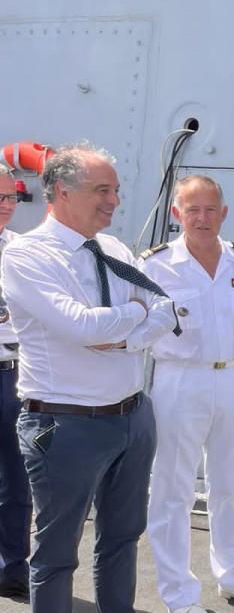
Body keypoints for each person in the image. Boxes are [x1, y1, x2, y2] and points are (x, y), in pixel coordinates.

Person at [3, 143, 178, 612]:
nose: (114, 201)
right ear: (63, 191)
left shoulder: (114, 249)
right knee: (57, 554)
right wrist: (133, 314)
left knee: (123, 538)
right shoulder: (27, 256)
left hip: (132, 417)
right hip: (65, 425)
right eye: (103, 190)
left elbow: (164, 307)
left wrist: (122, 339)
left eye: (115, 190)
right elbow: (80, 326)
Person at [141, 175, 234, 612]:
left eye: (210, 209)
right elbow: (134, 326)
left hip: (232, 378)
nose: (202, 218)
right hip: (178, 379)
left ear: (223, 213)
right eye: (193, 210)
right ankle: (178, 593)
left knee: (233, 483)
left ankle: (233, 575)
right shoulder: (154, 266)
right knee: (173, 488)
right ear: (177, 214)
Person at [0, 166, 29, 600]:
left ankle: (12, 568)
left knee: (17, 477)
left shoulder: (22, 250)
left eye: (11, 198)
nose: (6, 206)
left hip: (14, 374)